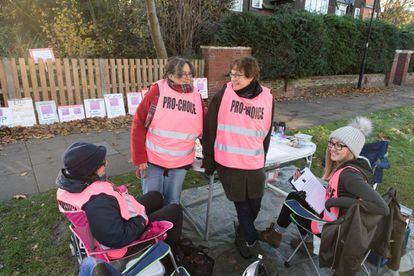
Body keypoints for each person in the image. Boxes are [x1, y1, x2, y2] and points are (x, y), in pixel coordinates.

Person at [259, 117, 389, 251]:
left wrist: (337, 201)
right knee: (296, 195)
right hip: (334, 219)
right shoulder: (352, 167)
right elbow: (338, 192)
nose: (333, 148)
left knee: (291, 201)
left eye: (339, 145)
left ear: (351, 149)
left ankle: (279, 236)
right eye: (331, 143)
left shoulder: (350, 176)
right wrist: (304, 184)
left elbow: (382, 208)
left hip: (329, 229)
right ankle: (304, 241)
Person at [56, 142, 183, 259]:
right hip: (120, 247)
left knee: (156, 196)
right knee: (175, 210)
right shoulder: (97, 202)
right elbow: (117, 239)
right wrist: (141, 220)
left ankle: (161, 234)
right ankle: (170, 254)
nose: (106, 163)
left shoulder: (69, 188)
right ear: (89, 171)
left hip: (110, 225)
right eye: (102, 162)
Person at [202, 56, 275, 259]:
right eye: (232, 74)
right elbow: (209, 130)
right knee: (242, 205)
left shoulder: (268, 97)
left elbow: (266, 133)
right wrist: (209, 161)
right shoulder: (223, 95)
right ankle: (248, 238)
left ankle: (243, 232)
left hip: (254, 162)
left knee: (256, 204)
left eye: (239, 75)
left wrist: (263, 156)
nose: (234, 78)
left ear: (252, 76)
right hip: (229, 162)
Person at [130, 56, 204, 204]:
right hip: (153, 160)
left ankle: (170, 227)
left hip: (180, 163)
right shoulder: (157, 92)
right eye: (181, 74)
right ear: (170, 75)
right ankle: (151, 227)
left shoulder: (196, 96)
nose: (186, 78)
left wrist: (208, 155)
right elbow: (138, 124)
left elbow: (204, 127)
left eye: (189, 74)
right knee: (152, 202)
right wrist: (139, 157)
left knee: (173, 201)